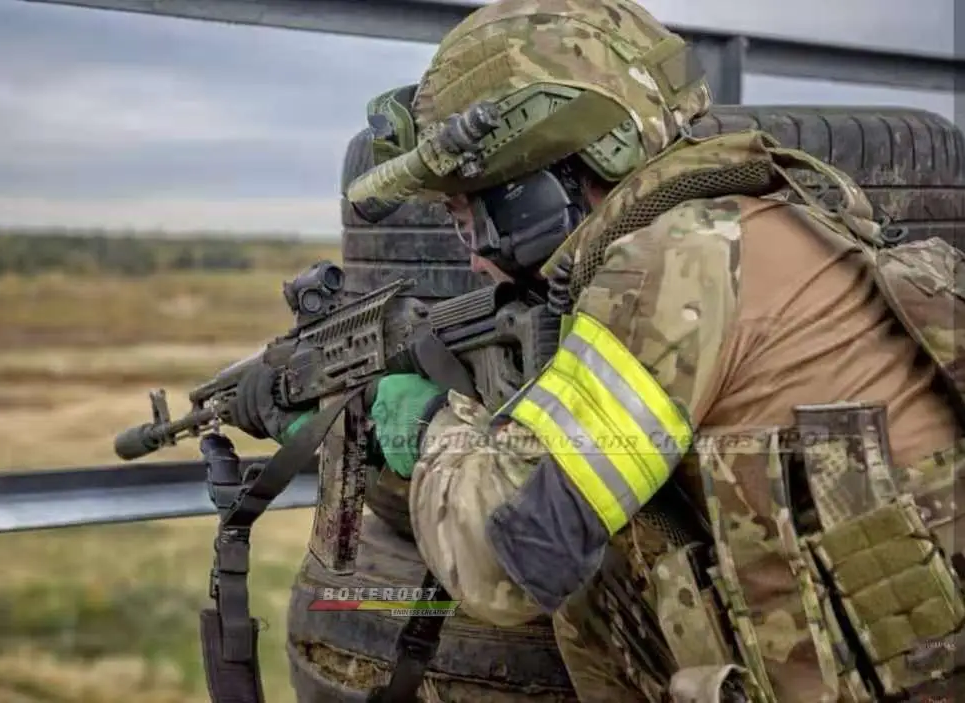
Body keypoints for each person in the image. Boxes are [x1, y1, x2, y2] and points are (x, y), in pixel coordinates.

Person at [208, 1, 965, 700]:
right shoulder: (761, 217)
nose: (471, 257)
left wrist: (435, 422)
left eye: (470, 215)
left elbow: (509, 563)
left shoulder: (671, 266)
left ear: (544, 174)